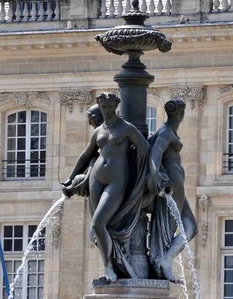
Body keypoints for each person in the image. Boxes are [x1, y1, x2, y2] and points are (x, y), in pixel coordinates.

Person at [62, 92, 149, 283]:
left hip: (117, 181)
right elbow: (85, 156)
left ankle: (112, 267)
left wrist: (147, 174)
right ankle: (108, 266)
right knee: (102, 225)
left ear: (116, 107)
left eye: (110, 107)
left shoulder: (126, 128)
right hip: (97, 180)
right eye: (104, 108)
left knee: (98, 223)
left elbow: (144, 148)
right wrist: (70, 179)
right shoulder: (98, 131)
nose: (107, 111)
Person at [148, 98, 198, 283]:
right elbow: (155, 153)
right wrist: (155, 174)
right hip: (172, 185)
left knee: (191, 228)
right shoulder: (166, 132)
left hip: (178, 186)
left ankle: (165, 259)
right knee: (170, 230)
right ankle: (160, 262)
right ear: (181, 114)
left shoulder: (168, 132)